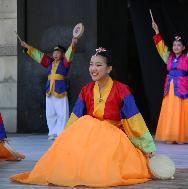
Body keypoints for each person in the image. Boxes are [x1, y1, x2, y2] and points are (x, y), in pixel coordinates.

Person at [10, 48, 156, 187]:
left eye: (98, 65)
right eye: (91, 64)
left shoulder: (121, 89)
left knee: (109, 167)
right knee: (83, 127)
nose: (93, 68)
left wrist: (147, 146)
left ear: (109, 69)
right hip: (91, 134)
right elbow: (75, 117)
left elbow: (134, 118)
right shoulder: (86, 90)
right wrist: (64, 141)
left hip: (113, 135)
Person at [152, 20, 188, 144]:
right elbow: (160, 47)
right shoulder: (168, 57)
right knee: (170, 110)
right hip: (170, 86)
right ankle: (170, 135)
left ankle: (181, 136)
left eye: (178, 45)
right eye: (174, 45)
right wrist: (156, 31)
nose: (176, 47)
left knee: (181, 111)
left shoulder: (187, 57)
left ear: (183, 48)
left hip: (182, 86)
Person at [20, 37, 78, 140]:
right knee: (50, 113)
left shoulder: (65, 63)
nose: (55, 54)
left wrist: (73, 44)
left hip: (60, 90)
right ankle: (52, 132)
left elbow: (69, 54)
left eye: (58, 52)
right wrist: (27, 46)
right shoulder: (49, 63)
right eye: (54, 52)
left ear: (63, 54)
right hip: (49, 91)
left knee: (62, 113)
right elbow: (38, 56)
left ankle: (61, 133)